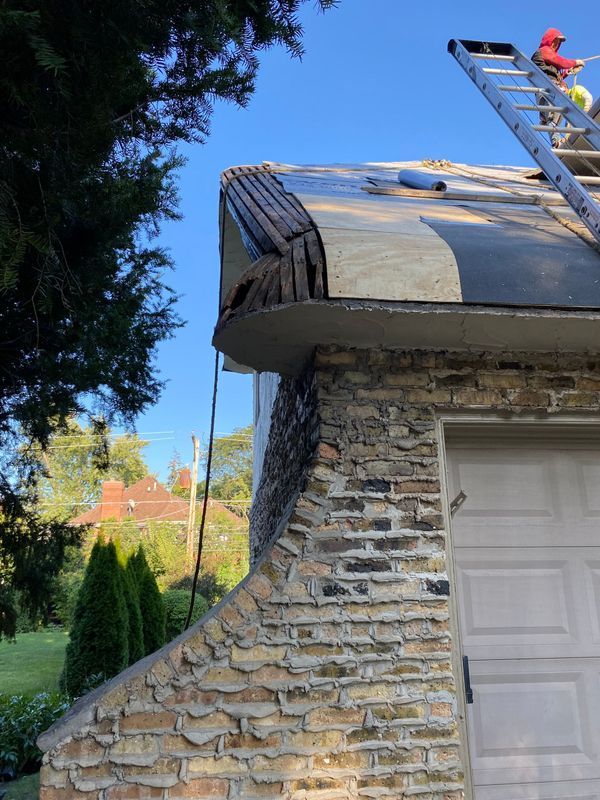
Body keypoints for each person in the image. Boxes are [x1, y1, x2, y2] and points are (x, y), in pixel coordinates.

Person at [531, 28, 584, 147]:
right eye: (555, 41)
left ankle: (556, 137)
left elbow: (553, 73)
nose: (557, 44)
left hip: (551, 87)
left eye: (559, 42)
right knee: (553, 116)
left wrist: (567, 72)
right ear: (550, 40)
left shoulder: (548, 58)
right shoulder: (543, 51)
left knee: (557, 116)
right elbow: (560, 62)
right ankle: (556, 142)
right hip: (547, 89)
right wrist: (575, 62)